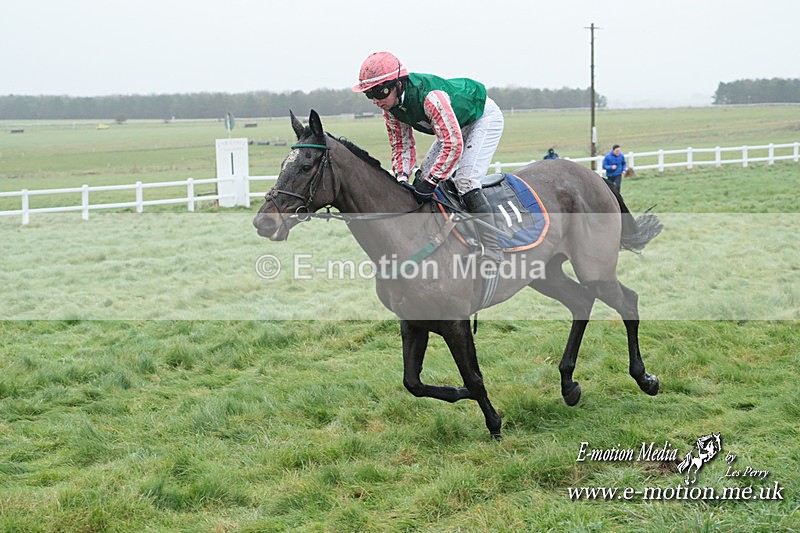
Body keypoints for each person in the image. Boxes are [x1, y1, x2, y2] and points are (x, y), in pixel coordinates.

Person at [352, 51, 504, 263]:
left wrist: (432, 182)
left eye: (380, 92)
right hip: (454, 123)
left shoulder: (431, 98)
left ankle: (493, 246)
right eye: (370, 95)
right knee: (420, 179)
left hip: (482, 117)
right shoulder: (391, 109)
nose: (376, 101)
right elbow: (401, 146)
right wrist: (402, 179)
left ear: (398, 84)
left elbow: (453, 145)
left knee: (466, 181)